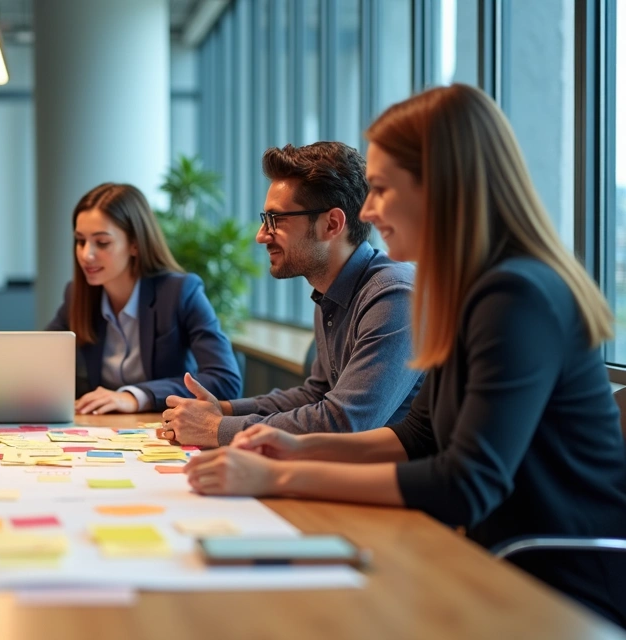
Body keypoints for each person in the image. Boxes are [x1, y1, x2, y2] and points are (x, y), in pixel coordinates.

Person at [184, 84, 626, 626]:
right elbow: (413, 438)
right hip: (491, 564)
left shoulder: (516, 295)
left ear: (442, 189)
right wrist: (290, 449)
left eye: (383, 189)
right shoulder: (464, 292)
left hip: (551, 587)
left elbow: (464, 485)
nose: (367, 209)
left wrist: (279, 478)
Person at [160, 142, 422, 447]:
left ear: (332, 224)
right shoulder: (330, 290)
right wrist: (223, 410)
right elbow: (316, 395)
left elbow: (346, 423)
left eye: (276, 220)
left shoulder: (392, 297)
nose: (261, 236)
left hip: (397, 485)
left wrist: (219, 428)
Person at [45, 183, 242, 414]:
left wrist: (136, 397)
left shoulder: (180, 292)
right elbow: (39, 363)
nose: (86, 254)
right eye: (80, 241)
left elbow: (226, 381)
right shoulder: (78, 296)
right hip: (102, 431)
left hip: (163, 429)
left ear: (135, 245)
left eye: (102, 242)